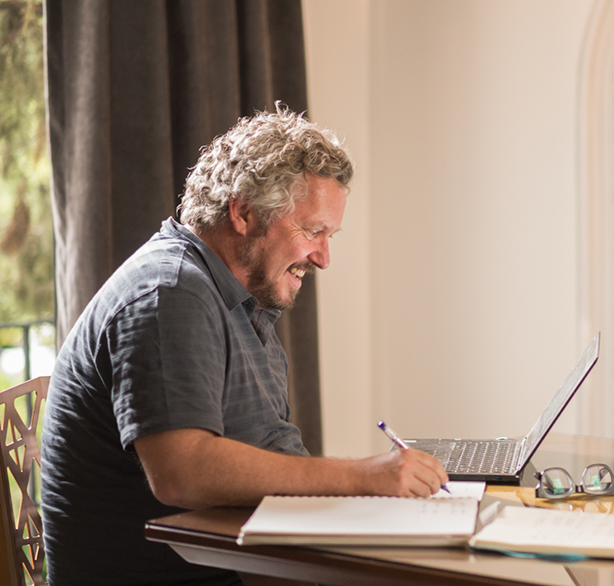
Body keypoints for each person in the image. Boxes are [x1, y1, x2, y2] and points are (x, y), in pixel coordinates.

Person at [40, 106, 449, 585]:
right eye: (312, 231)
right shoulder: (170, 293)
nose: (324, 257)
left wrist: (371, 496)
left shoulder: (238, 301)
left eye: (330, 235)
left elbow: (264, 456)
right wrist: (364, 478)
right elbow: (182, 472)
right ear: (243, 212)